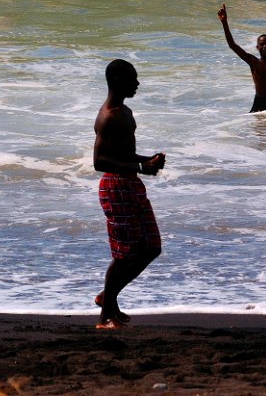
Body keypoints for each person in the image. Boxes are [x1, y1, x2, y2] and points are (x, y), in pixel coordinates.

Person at [92, 59, 167, 329]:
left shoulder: (125, 111)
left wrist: (147, 161)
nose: (137, 83)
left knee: (151, 247)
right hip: (115, 187)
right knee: (124, 255)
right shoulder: (109, 116)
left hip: (130, 184)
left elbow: (123, 154)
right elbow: (99, 161)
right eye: (132, 79)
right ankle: (105, 316)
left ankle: (108, 297)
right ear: (117, 81)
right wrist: (140, 167)